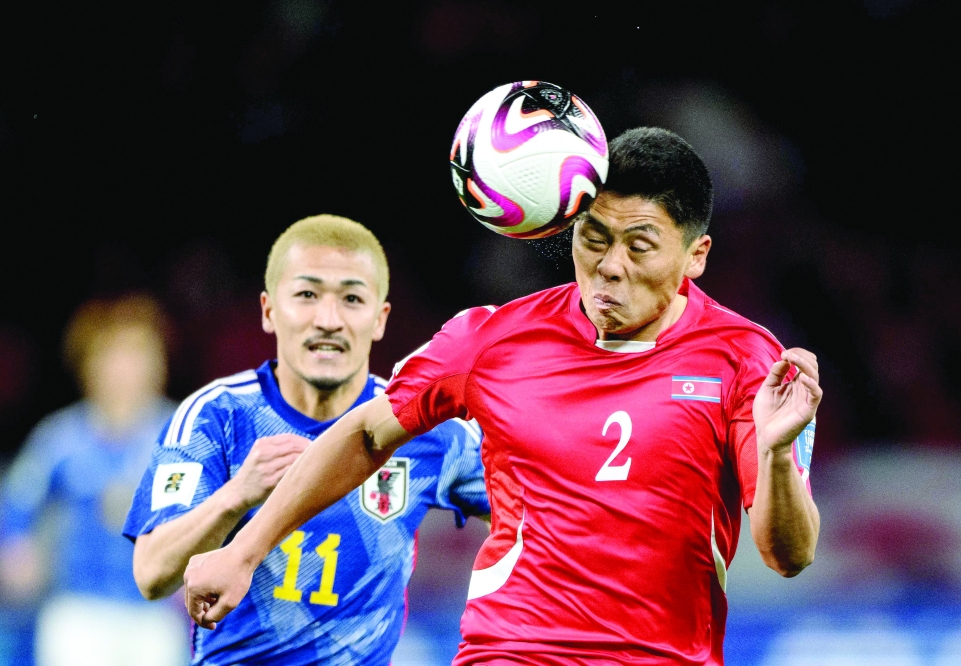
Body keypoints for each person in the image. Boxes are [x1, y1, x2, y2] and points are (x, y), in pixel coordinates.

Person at [183, 129, 822, 665]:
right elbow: (364, 434)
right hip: (512, 649)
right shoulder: (493, 338)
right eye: (593, 238)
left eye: (640, 245)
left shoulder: (746, 360)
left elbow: (787, 555)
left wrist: (774, 455)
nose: (610, 265)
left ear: (696, 255)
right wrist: (244, 550)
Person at [124, 215, 490, 665]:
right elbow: (151, 575)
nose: (329, 320)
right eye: (307, 295)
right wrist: (237, 495)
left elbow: (537, 516)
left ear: (380, 319)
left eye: (352, 299)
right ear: (269, 311)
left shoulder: (423, 428)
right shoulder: (216, 416)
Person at [0, 294, 188, 666]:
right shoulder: (61, 439)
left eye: (137, 355)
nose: (124, 369)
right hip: (77, 611)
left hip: (154, 616)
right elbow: (17, 503)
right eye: (112, 356)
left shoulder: (182, 440)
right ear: (87, 365)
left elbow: (222, 512)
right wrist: (16, 548)